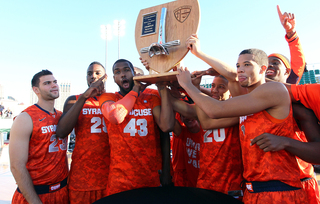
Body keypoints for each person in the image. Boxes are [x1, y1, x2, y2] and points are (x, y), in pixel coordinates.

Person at [176, 46, 308, 203]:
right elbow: (210, 118)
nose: (240, 69)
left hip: (279, 190)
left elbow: (215, 109)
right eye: (238, 65)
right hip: (253, 191)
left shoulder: (273, 89)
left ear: (262, 69)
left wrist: (188, 84)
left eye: (247, 65)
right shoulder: (248, 100)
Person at [99, 59, 175, 195]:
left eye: (126, 70)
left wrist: (166, 170)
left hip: (150, 177)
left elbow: (166, 127)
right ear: (114, 78)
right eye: (118, 72)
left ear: (134, 73)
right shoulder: (108, 97)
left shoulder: (151, 97)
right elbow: (116, 115)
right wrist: (135, 90)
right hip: (120, 180)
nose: (122, 74)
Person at [169, 74, 243, 198]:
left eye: (221, 87)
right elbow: (181, 107)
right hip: (206, 180)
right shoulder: (203, 108)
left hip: (231, 182)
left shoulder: (239, 109)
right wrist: (165, 86)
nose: (214, 90)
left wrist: (193, 87)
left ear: (230, 91)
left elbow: (207, 123)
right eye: (213, 86)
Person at [9, 70, 69, 204]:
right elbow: (16, 165)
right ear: (36, 90)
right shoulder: (25, 118)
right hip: (35, 194)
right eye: (47, 83)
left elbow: (62, 154)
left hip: (61, 192)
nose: (54, 85)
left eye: (55, 82)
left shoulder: (62, 117)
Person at [56, 61, 109, 204]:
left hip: (110, 174)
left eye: (98, 72)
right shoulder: (74, 100)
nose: (93, 76)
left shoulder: (114, 99)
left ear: (106, 77)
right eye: (89, 73)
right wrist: (84, 97)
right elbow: (61, 132)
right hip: (82, 175)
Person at [267, 5, 305, 84]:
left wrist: (291, 32)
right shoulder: (255, 91)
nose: (269, 65)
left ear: (287, 71)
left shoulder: (290, 87)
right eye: (266, 63)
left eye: (275, 63)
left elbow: (298, 62)